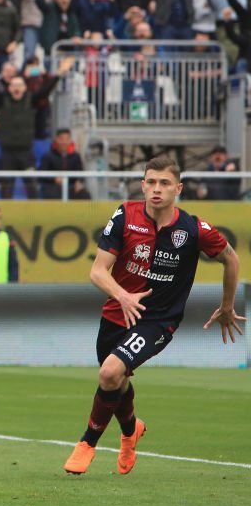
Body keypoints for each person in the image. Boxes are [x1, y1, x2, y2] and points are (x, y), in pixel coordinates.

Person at [63, 157, 244, 475]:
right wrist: (122, 295)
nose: (156, 189)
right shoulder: (125, 215)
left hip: (159, 320)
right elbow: (97, 271)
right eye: (150, 182)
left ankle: (87, 443)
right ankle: (131, 429)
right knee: (116, 383)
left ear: (178, 188)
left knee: (109, 373)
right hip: (117, 313)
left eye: (164, 183)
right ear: (143, 185)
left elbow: (231, 258)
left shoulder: (193, 229)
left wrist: (227, 306)